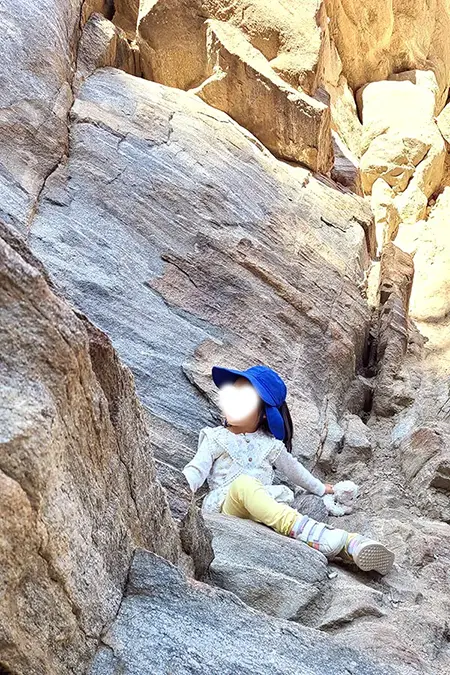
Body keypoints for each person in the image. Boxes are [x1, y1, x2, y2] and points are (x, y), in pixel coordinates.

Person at [182, 364, 395, 575]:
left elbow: (296, 471)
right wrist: (180, 490)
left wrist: (323, 489)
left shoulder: (270, 444)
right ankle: (321, 536)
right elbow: (196, 470)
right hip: (228, 506)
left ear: (264, 413)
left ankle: (351, 545)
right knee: (244, 486)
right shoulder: (215, 437)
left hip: (264, 507)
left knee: (273, 504)